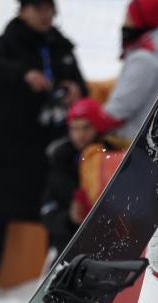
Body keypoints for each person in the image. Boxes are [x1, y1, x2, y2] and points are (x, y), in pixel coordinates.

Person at [0, 0, 87, 278]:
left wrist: (74, 88)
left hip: (55, 141)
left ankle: (60, 264)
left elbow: (81, 86)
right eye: (37, 8)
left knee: (58, 201)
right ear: (23, 10)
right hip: (16, 143)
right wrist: (23, 75)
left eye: (48, 8)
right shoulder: (9, 42)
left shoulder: (60, 45)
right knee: (2, 205)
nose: (44, 15)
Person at [95, 0, 158, 143]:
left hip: (129, 145)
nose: (124, 23)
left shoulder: (144, 60)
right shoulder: (157, 53)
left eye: (128, 17)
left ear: (139, 20)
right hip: (144, 142)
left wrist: (83, 113)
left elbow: (117, 113)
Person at [40, 98, 113, 261]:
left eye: (86, 127)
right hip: (69, 249)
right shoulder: (59, 161)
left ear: (98, 127)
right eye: (74, 128)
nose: (80, 135)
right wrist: (69, 218)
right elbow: (47, 212)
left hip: (109, 243)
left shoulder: (112, 157)